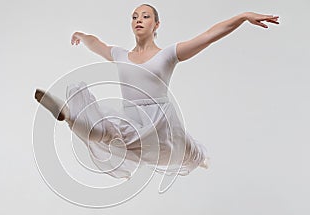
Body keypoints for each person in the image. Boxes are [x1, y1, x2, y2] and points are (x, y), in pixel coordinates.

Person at [34, 4, 279, 178]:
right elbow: (97, 44)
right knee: (102, 132)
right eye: (134, 16)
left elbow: (209, 36)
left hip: (162, 126)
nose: (138, 19)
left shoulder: (168, 54)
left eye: (145, 16)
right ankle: (67, 114)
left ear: (156, 24)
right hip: (131, 122)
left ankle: (201, 158)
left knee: (192, 154)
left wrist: (242, 17)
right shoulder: (121, 55)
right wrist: (82, 35)